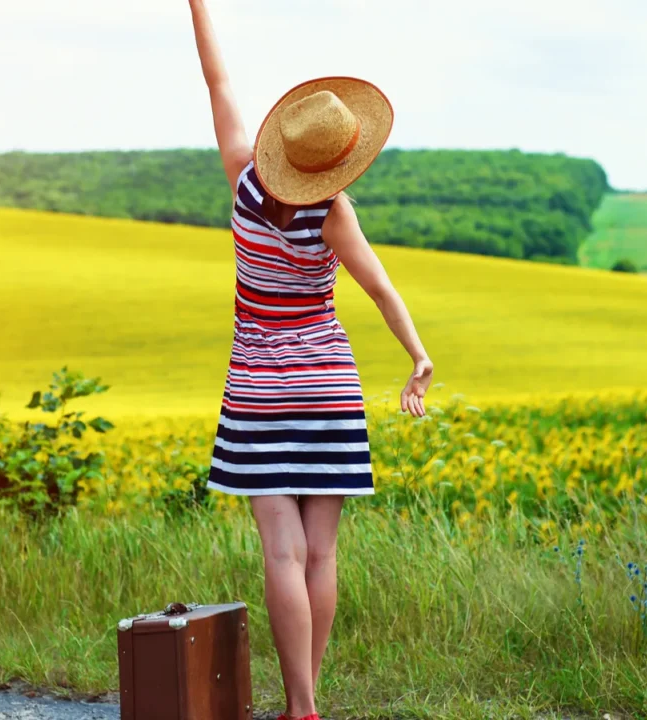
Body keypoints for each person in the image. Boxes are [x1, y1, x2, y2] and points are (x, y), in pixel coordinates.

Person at [187, 1, 434, 718]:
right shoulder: (335, 213)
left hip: (259, 391)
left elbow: (218, 82)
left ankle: (300, 707)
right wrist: (417, 357)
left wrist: (199, 6)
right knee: (321, 554)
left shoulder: (243, 182)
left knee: (282, 555)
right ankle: (307, 706)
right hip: (328, 385)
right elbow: (382, 289)